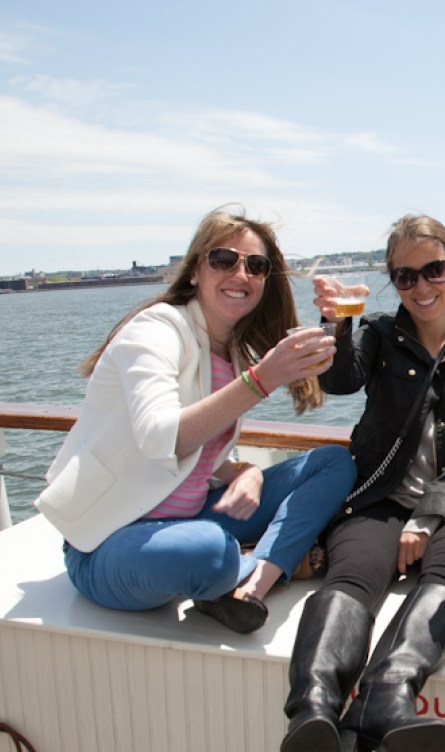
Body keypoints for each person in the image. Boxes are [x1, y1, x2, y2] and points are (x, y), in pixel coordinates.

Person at [36, 208, 356, 634]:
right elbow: (160, 438)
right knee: (207, 551)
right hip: (110, 544)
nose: (241, 273)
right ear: (194, 272)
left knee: (334, 463)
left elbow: (201, 453)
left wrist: (246, 472)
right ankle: (249, 563)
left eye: (255, 266)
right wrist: (263, 379)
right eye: (224, 260)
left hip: (191, 517)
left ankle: (254, 581)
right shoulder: (155, 331)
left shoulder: (229, 350)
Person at [279, 213, 445, 752]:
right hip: (381, 497)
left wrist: (429, 516)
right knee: (354, 574)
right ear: (393, 282)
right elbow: (339, 379)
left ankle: (388, 700)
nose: (422, 287)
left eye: (433, 270)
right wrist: (337, 320)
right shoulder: (377, 334)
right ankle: (313, 713)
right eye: (405, 277)